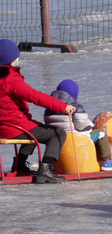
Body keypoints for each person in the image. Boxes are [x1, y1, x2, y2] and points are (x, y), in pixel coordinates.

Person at [0, 39, 76, 184]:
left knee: (35, 127)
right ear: (10, 60)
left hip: (3, 126)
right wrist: (62, 106)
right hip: (13, 127)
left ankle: (20, 165)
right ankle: (46, 169)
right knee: (58, 133)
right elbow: (34, 96)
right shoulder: (11, 79)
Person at [44, 79, 112, 171]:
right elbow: (82, 125)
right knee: (101, 134)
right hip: (76, 138)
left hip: (59, 138)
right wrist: (91, 126)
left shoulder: (49, 107)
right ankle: (106, 161)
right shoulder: (75, 107)